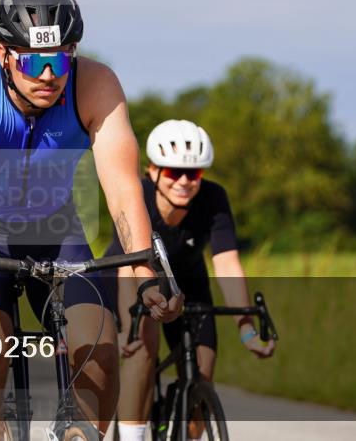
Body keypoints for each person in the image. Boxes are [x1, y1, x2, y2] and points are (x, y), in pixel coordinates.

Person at [0, 0, 183, 440]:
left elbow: (124, 187)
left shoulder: (96, 85)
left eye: (61, 59)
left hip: (56, 231)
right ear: (4, 54)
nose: (48, 75)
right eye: (33, 60)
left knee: (101, 350)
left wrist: (145, 272)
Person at [107, 119, 275, 441]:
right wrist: (126, 327)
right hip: (131, 276)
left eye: (194, 173)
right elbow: (127, 267)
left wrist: (246, 328)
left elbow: (226, 263)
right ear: (152, 171)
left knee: (203, 370)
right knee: (142, 350)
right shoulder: (136, 195)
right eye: (173, 173)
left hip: (188, 284)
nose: (185, 181)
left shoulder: (213, 198)